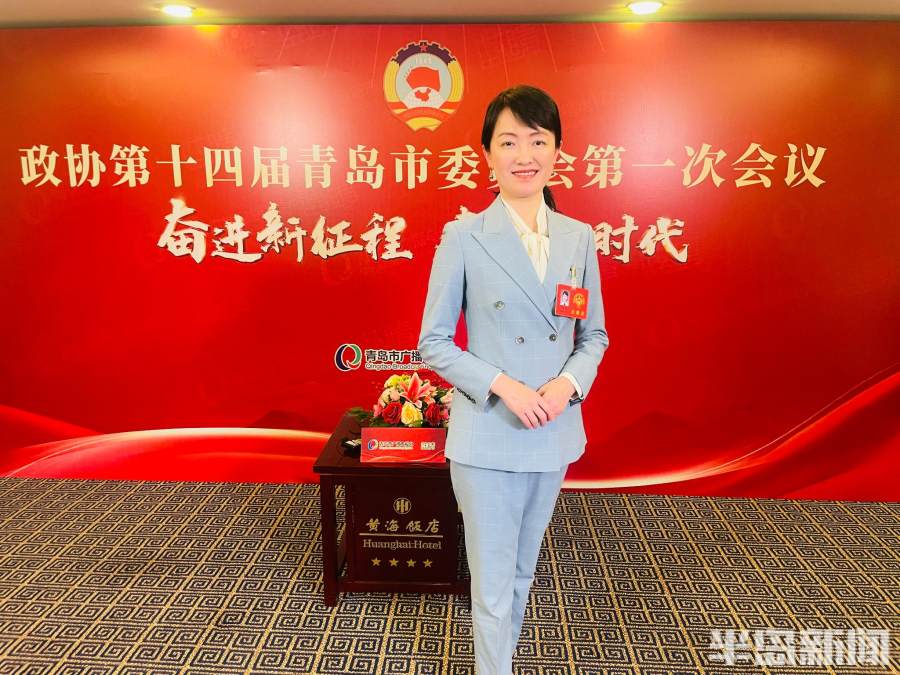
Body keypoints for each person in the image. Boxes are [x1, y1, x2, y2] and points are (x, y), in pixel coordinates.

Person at [418, 85, 609, 675]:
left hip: (552, 430)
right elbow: (434, 343)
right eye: (508, 142)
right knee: (493, 582)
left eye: (537, 140)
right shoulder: (464, 236)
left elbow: (593, 337)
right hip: (489, 433)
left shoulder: (578, 237)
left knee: (523, 570)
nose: (524, 155)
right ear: (487, 155)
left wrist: (565, 386)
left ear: (557, 151)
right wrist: (506, 385)